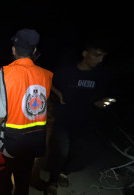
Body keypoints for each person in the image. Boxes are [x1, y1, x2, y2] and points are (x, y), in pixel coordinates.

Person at [0, 28, 53, 195]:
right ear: (34, 51)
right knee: (23, 183)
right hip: (34, 142)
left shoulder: (6, 73)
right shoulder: (46, 75)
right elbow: (40, 109)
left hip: (9, 144)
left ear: (13, 50)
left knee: (2, 183)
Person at [44, 37, 111, 194]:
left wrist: (100, 102)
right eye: (97, 55)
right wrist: (58, 92)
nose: (100, 60)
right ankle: (52, 182)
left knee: (76, 151)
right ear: (85, 54)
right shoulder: (67, 70)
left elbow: (100, 95)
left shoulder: (99, 74)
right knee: (61, 151)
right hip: (64, 119)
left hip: (85, 120)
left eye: (103, 57)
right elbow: (47, 80)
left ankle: (63, 173)